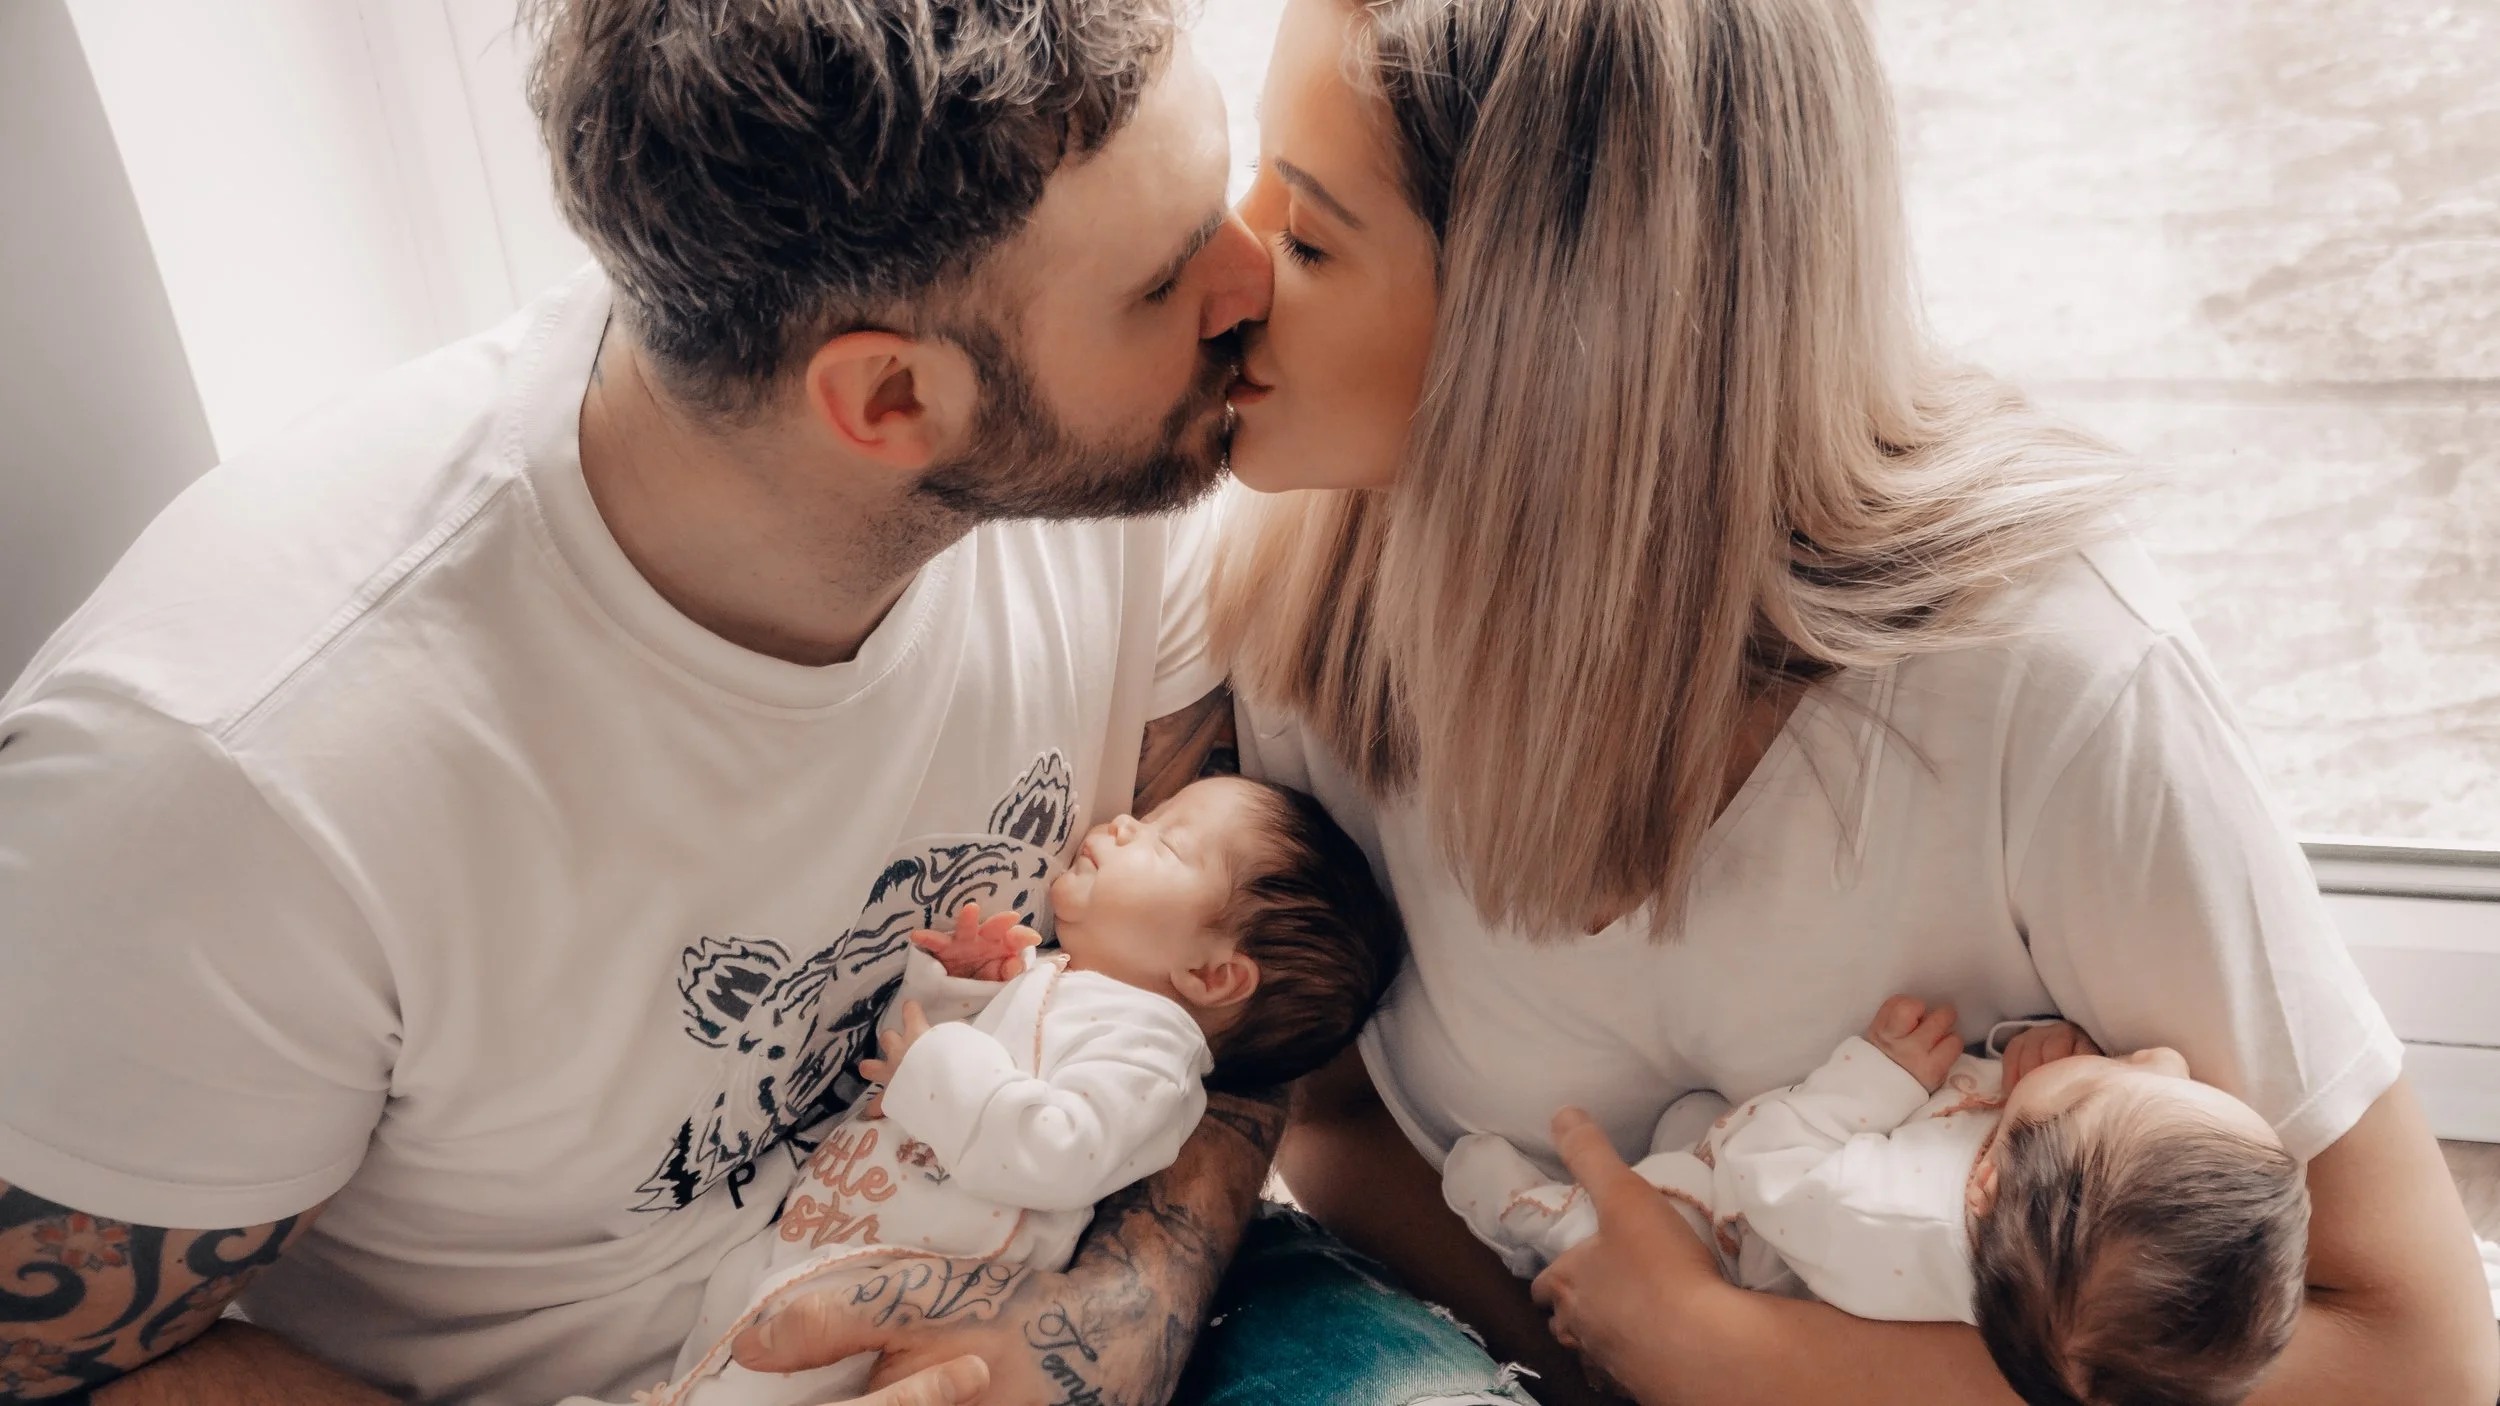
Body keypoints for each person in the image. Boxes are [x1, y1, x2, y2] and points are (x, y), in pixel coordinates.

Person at [1204, 0, 2500, 1402]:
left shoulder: (2050, 686)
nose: (1225, 268)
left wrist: (1748, 1362)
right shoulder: (1307, 622)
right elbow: (1336, 1118)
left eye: (1311, 235)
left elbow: (2417, 1350)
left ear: (1561, 328)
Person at [0, 2, 1281, 1402]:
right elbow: (40, 1363)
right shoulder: (230, 773)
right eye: (1166, 284)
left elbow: (1254, 978)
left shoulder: (1105, 484)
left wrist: (1126, 1311)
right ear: (891, 395)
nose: (1254, 279)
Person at [618, 778, 1402, 1406]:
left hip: (900, 1297)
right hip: (816, 1239)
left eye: (1165, 841)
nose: (1123, 823)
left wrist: (940, 1058)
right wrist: (960, 988)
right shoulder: (1054, 972)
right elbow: (913, 1065)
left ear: (1211, 974)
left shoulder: (1156, 1060)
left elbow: (1057, 1150)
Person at [1446, 997, 2310, 1406]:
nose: (2159, 1058)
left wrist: (1882, 1076)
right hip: (1795, 1198)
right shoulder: (2051, 1222)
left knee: (1667, 1197)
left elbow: (1764, 1162)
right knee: (1692, 1124)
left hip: (1746, 1228)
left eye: (2116, 1079)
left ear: (1984, 1181)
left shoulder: (1889, 1216)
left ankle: (1542, 1221)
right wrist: (2051, 1056)